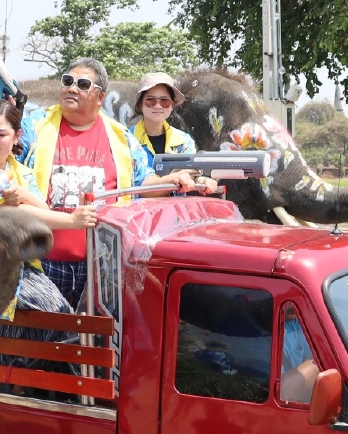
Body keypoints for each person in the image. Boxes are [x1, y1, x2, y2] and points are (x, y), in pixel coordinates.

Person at [20, 58, 214, 308]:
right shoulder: (33, 128)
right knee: (46, 338)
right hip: (41, 261)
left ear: (100, 97)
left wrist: (172, 180)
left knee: (98, 338)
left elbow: (143, 182)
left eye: (82, 84)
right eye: (67, 81)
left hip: (103, 265)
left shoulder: (121, 138)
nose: (71, 88)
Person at [0, 100, 94, 392]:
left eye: (0, 134)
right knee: (55, 326)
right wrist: (72, 221)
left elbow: (40, 215)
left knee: (62, 325)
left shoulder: (17, 169)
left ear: (16, 136)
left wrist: (23, 193)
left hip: (16, 271)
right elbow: (4, 218)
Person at [129, 71, 196, 163]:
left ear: (172, 105)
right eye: (150, 100)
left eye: (164, 101)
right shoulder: (127, 140)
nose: (158, 106)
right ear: (140, 104)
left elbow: (189, 173)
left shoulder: (184, 142)